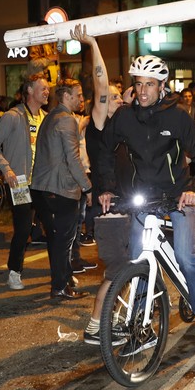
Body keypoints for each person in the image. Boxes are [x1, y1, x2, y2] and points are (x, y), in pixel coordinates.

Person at [98, 55, 195, 340]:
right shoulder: (125, 117)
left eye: (149, 84)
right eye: (139, 84)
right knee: (138, 257)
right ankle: (141, 320)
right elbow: (105, 150)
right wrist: (107, 187)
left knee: (184, 256)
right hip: (145, 196)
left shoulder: (177, 116)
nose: (143, 91)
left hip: (179, 195)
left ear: (161, 86)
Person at [71, 25, 131, 345]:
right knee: (118, 270)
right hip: (108, 206)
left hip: (123, 203)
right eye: (115, 97)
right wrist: (93, 44)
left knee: (132, 265)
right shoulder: (99, 123)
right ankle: (96, 326)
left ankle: (119, 318)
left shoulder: (121, 129)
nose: (118, 100)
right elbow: (101, 83)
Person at [31, 78, 93, 300]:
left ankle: (63, 281)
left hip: (42, 189)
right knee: (64, 241)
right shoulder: (67, 121)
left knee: (56, 240)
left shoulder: (49, 118)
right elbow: (73, 160)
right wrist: (88, 187)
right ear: (66, 97)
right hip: (60, 190)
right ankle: (60, 286)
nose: (81, 100)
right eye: (78, 95)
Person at [0, 74, 49, 290]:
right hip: (20, 182)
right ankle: (14, 272)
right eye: (43, 88)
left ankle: (63, 274)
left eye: (47, 88)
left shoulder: (45, 117)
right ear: (29, 91)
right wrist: (7, 169)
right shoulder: (12, 117)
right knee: (23, 229)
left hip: (42, 183)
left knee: (54, 227)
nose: (47, 91)